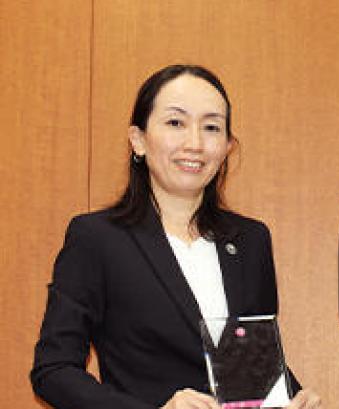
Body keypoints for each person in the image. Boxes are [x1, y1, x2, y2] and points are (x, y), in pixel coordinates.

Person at [31, 64, 321, 409]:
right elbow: (54, 370)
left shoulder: (250, 240)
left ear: (227, 146)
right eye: (175, 123)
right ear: (138, 140)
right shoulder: (97, 239)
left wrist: (293, 397)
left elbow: (251, 367)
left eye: (211, 127)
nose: (195, 143)